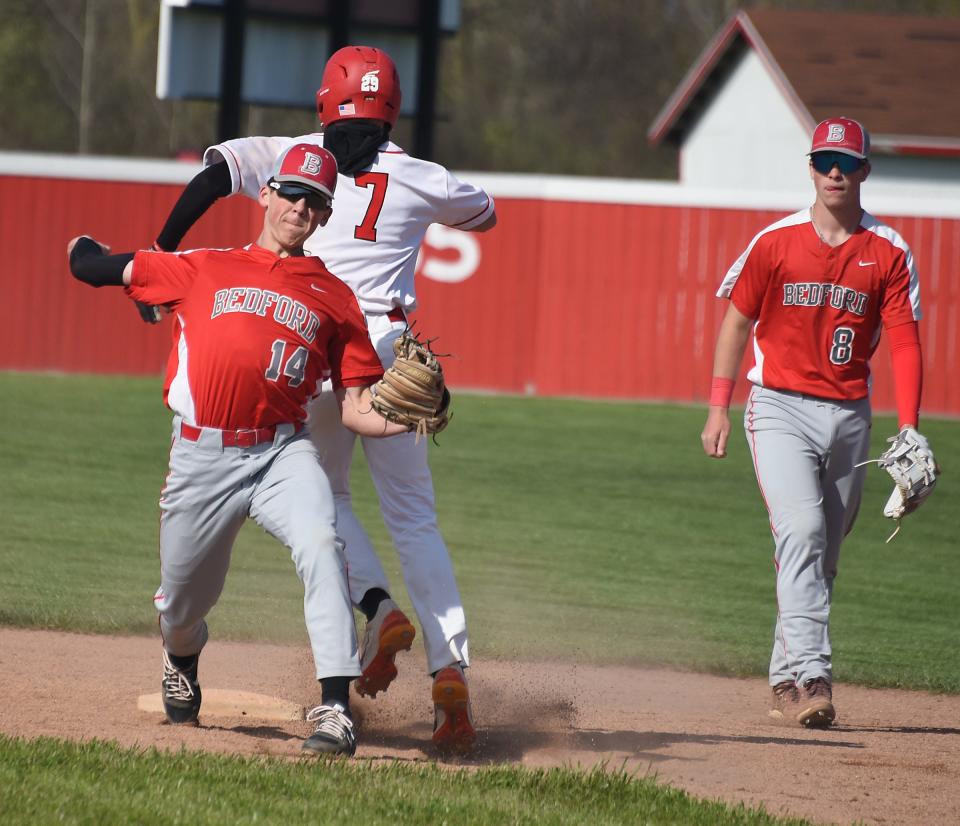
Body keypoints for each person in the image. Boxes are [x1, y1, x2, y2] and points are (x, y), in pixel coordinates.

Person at [142, 45, 496, 753]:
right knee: (415, 519)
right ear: (394, 106)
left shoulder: (291, 153)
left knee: (324, 497)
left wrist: (163, 245)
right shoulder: (421, 176)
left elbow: (214, 175)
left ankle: (377, 607)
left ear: (322, 99)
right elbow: (483, 215)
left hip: (308, 343)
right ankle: (448, 667)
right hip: (390, 355)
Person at [68, 142, 412, 756]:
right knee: (181, 603)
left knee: (321, 544)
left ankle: (335, 707)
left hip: (284, 453)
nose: (301, 209)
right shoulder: (204, 266)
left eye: (316, 202)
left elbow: (357, 408)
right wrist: (82, 255)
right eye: (293, 193)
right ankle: (183, 658)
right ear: (267, 194)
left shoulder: (335, 298)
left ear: (325, 217)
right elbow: (109, 269)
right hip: (202, 456)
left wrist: (402, 416)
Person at [700, 117, 925, 728]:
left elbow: (904, 344)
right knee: (800, 532)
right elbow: (736, 324)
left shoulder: (889, 252)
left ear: (864, 172)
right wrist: (719, 406)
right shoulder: (775, 241)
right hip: (778, 406)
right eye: (825, 160)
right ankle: (813, 676)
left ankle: (782, 679)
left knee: (821, 554)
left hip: (851, 416)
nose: (834, 172)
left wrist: (908, 427)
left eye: (847, 162)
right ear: (810, 166)